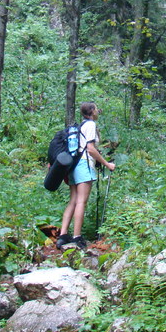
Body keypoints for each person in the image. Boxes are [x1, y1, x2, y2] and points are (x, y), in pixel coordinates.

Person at [56, 102, 115, 249]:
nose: (98, 111)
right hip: (83, 165)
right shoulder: (90, 125)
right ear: (91, 112)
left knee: (73, 200)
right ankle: (77, 237)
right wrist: (107, 164)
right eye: (96, 109)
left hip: (73, 165)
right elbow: (90, 149)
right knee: (81, 201)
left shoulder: (80, 126)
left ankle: (63, 236)